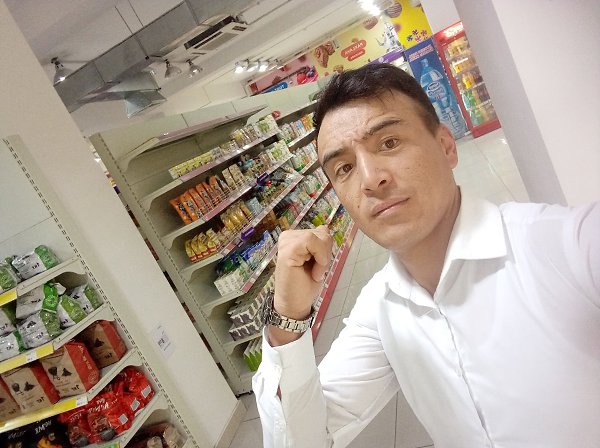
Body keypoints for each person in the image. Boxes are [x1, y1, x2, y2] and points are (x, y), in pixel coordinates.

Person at [252, 64, 600, 448]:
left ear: (446, 146)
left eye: (389, 143)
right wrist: (287, 317)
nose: (370, 179)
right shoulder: (380, 310)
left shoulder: (564, 245)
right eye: (344, 167)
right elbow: (302, 441)